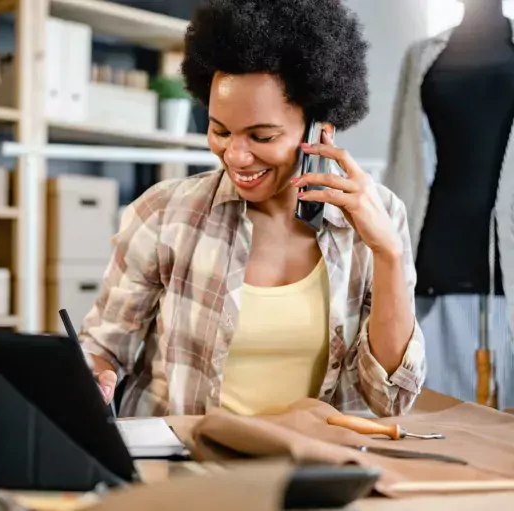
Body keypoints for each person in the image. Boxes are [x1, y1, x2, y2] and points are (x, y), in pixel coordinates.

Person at [78, 0, 426, 418]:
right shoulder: (165, 213)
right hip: (186, 467)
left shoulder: (380, 216)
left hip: (315, 470)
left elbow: (390, 399)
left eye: (261, 136)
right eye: (220, 130)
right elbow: (102, 347)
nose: (237, 156)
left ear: (321, 131)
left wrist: (388, 253)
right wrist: (93, 376)